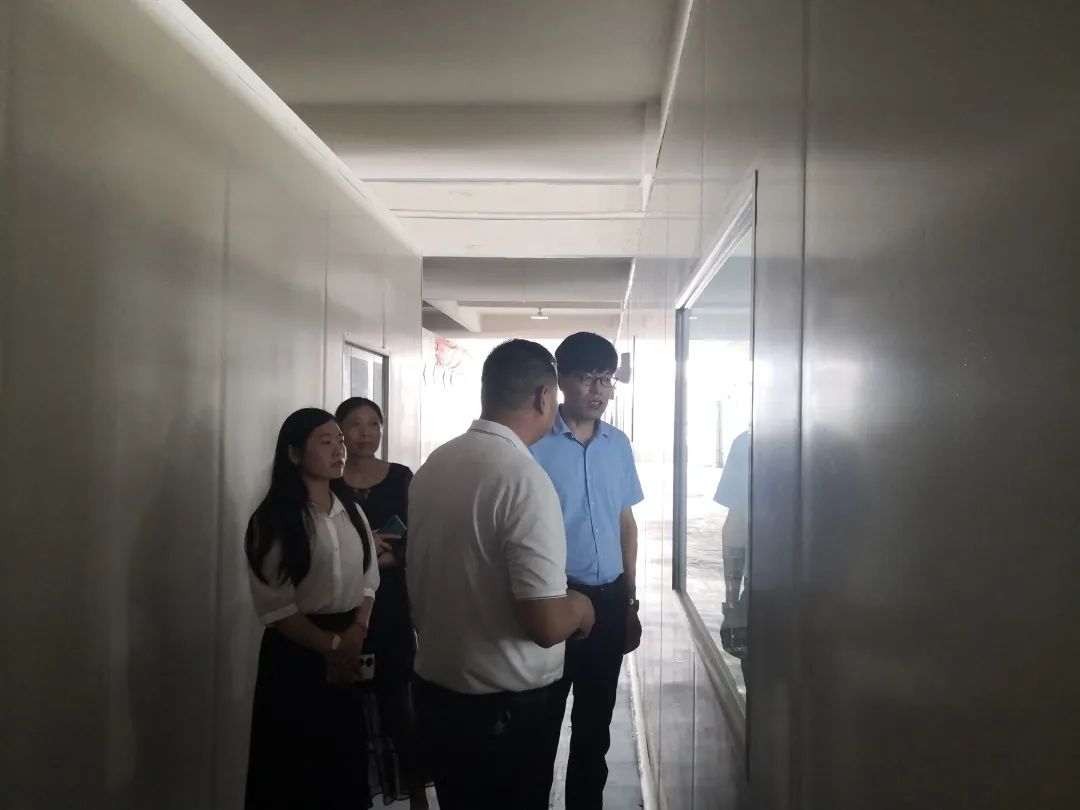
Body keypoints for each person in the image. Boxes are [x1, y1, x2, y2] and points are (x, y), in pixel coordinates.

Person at [407, 339, 596, 810]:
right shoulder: (523, 479)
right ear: (542, 397)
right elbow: (545, 624)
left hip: (439, 695)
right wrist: (580, 608)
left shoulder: (436, 464)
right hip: (504, 713)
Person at [243, 408, 380, 810]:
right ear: (293, 453)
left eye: (340, 441)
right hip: (297, 655)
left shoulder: (352, 511)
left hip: (349, 644)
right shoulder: (274, 520)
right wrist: (332, 645)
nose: (339, 450)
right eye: (326, 442)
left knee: (344, 765)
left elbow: (369, 580)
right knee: (296, 770)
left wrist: (356, 631)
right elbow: (277, 606)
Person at [531, 332, 645, 810]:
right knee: (540, 727)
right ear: (561, 379)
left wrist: (630, 600)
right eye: (587, 378)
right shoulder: (534, 444)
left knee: (595, 729)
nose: (598, 390)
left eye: (606, 380)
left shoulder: (618, 444)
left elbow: (625, 523)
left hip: (610, 599)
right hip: (553, 602)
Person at [334, 396, 429, 810]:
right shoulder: (330, 481)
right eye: (355, 424)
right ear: (340, 431)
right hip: (341, 602)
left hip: (390, 604)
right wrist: (367, 556)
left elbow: (416, 539)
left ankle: (417, 793)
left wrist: (374, 559)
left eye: (374, 423)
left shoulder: (400, 477)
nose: (366, 433)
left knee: (398, 702)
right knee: (347, 706)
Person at [714, 429, 750, 659]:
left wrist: (732, 604)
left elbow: (735, 531)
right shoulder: (832, 439)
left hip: (764, 590)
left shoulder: (748, 442)